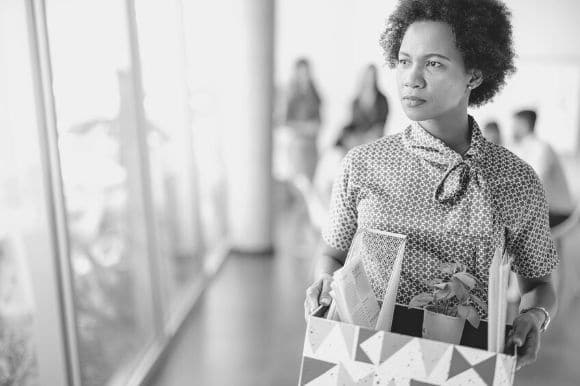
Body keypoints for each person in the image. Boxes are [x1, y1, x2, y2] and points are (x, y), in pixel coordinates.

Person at [304, 0, 558, 371]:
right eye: (404, 60)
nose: (412, 77)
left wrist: (534, 317)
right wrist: (325, 284)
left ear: (474, 74)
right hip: (362, 361)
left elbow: (539, 284)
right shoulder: (363, 165)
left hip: (464, 367)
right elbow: (332, 256)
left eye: (434, 63)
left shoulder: (515, 180)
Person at [509, 109, 574, 227]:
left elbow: (534, 184)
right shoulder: (520, 149)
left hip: (558, 212)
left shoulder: (541, 148)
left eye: (515, 125)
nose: (511, 129)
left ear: (524, 125)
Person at [283, 58, 323, 181]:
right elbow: (286, 122)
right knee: (299, 181)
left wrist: (312, 128)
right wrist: (304, 127)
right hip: (297, 145)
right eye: (301, 73)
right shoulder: (290, 95)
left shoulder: (315, 94)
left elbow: (319, 121)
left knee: (310, 180)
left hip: (312, 144)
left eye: (306, 73)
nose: (304, 76)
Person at [350, 64, 389, 137]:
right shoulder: (356, 101)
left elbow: (381, 124)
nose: (370, 79)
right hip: (358, 136)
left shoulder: (382, 100)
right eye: (368, 76)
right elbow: (353, 123)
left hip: (374, 136)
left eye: (372, 76)